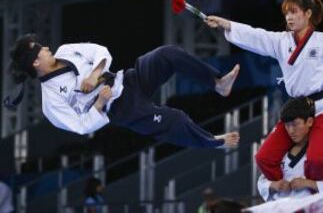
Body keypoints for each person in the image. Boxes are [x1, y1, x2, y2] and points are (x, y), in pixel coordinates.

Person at [205, 0, 323, 181]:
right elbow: (255, 35)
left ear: (308, 13)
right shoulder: (281, 41)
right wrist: (227, 24)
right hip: (295, 109)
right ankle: (287, 195)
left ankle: (320, 201)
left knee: (317, 161)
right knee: (264, 158)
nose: (289, 17)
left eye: (294, 12)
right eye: (286, 13)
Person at [6, 34, 240, 148]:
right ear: (36, 63)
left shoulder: (66, 50)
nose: (46, 47)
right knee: (174, 118)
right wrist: (98, 105)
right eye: (40, 49)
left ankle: (218, 83)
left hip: (127, 79)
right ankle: (213, 143)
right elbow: (79, 126)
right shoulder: (51, 101)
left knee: (166, 54)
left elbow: (101, 51)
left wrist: (95, 74)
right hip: (122, 109)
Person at [257, 97, 323, 201]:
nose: (291, 130)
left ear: (309, 122)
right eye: (287, 126)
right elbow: (261, 182)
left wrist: (310, 183)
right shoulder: (280, 151)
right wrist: (273, 184)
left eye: (295, 124)